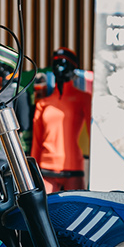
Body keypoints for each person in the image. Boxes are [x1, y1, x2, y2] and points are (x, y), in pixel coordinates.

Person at [30, 47, 91, 192]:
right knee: (44, 213)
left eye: (63, 63)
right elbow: (37, 140)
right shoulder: (43, 103)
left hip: (73, 168)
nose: (58, 67)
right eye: (55, 63)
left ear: (72, 67)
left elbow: (92, 133)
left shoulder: (83, 98)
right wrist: (32, 170)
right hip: (45, 168)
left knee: (76, 213)